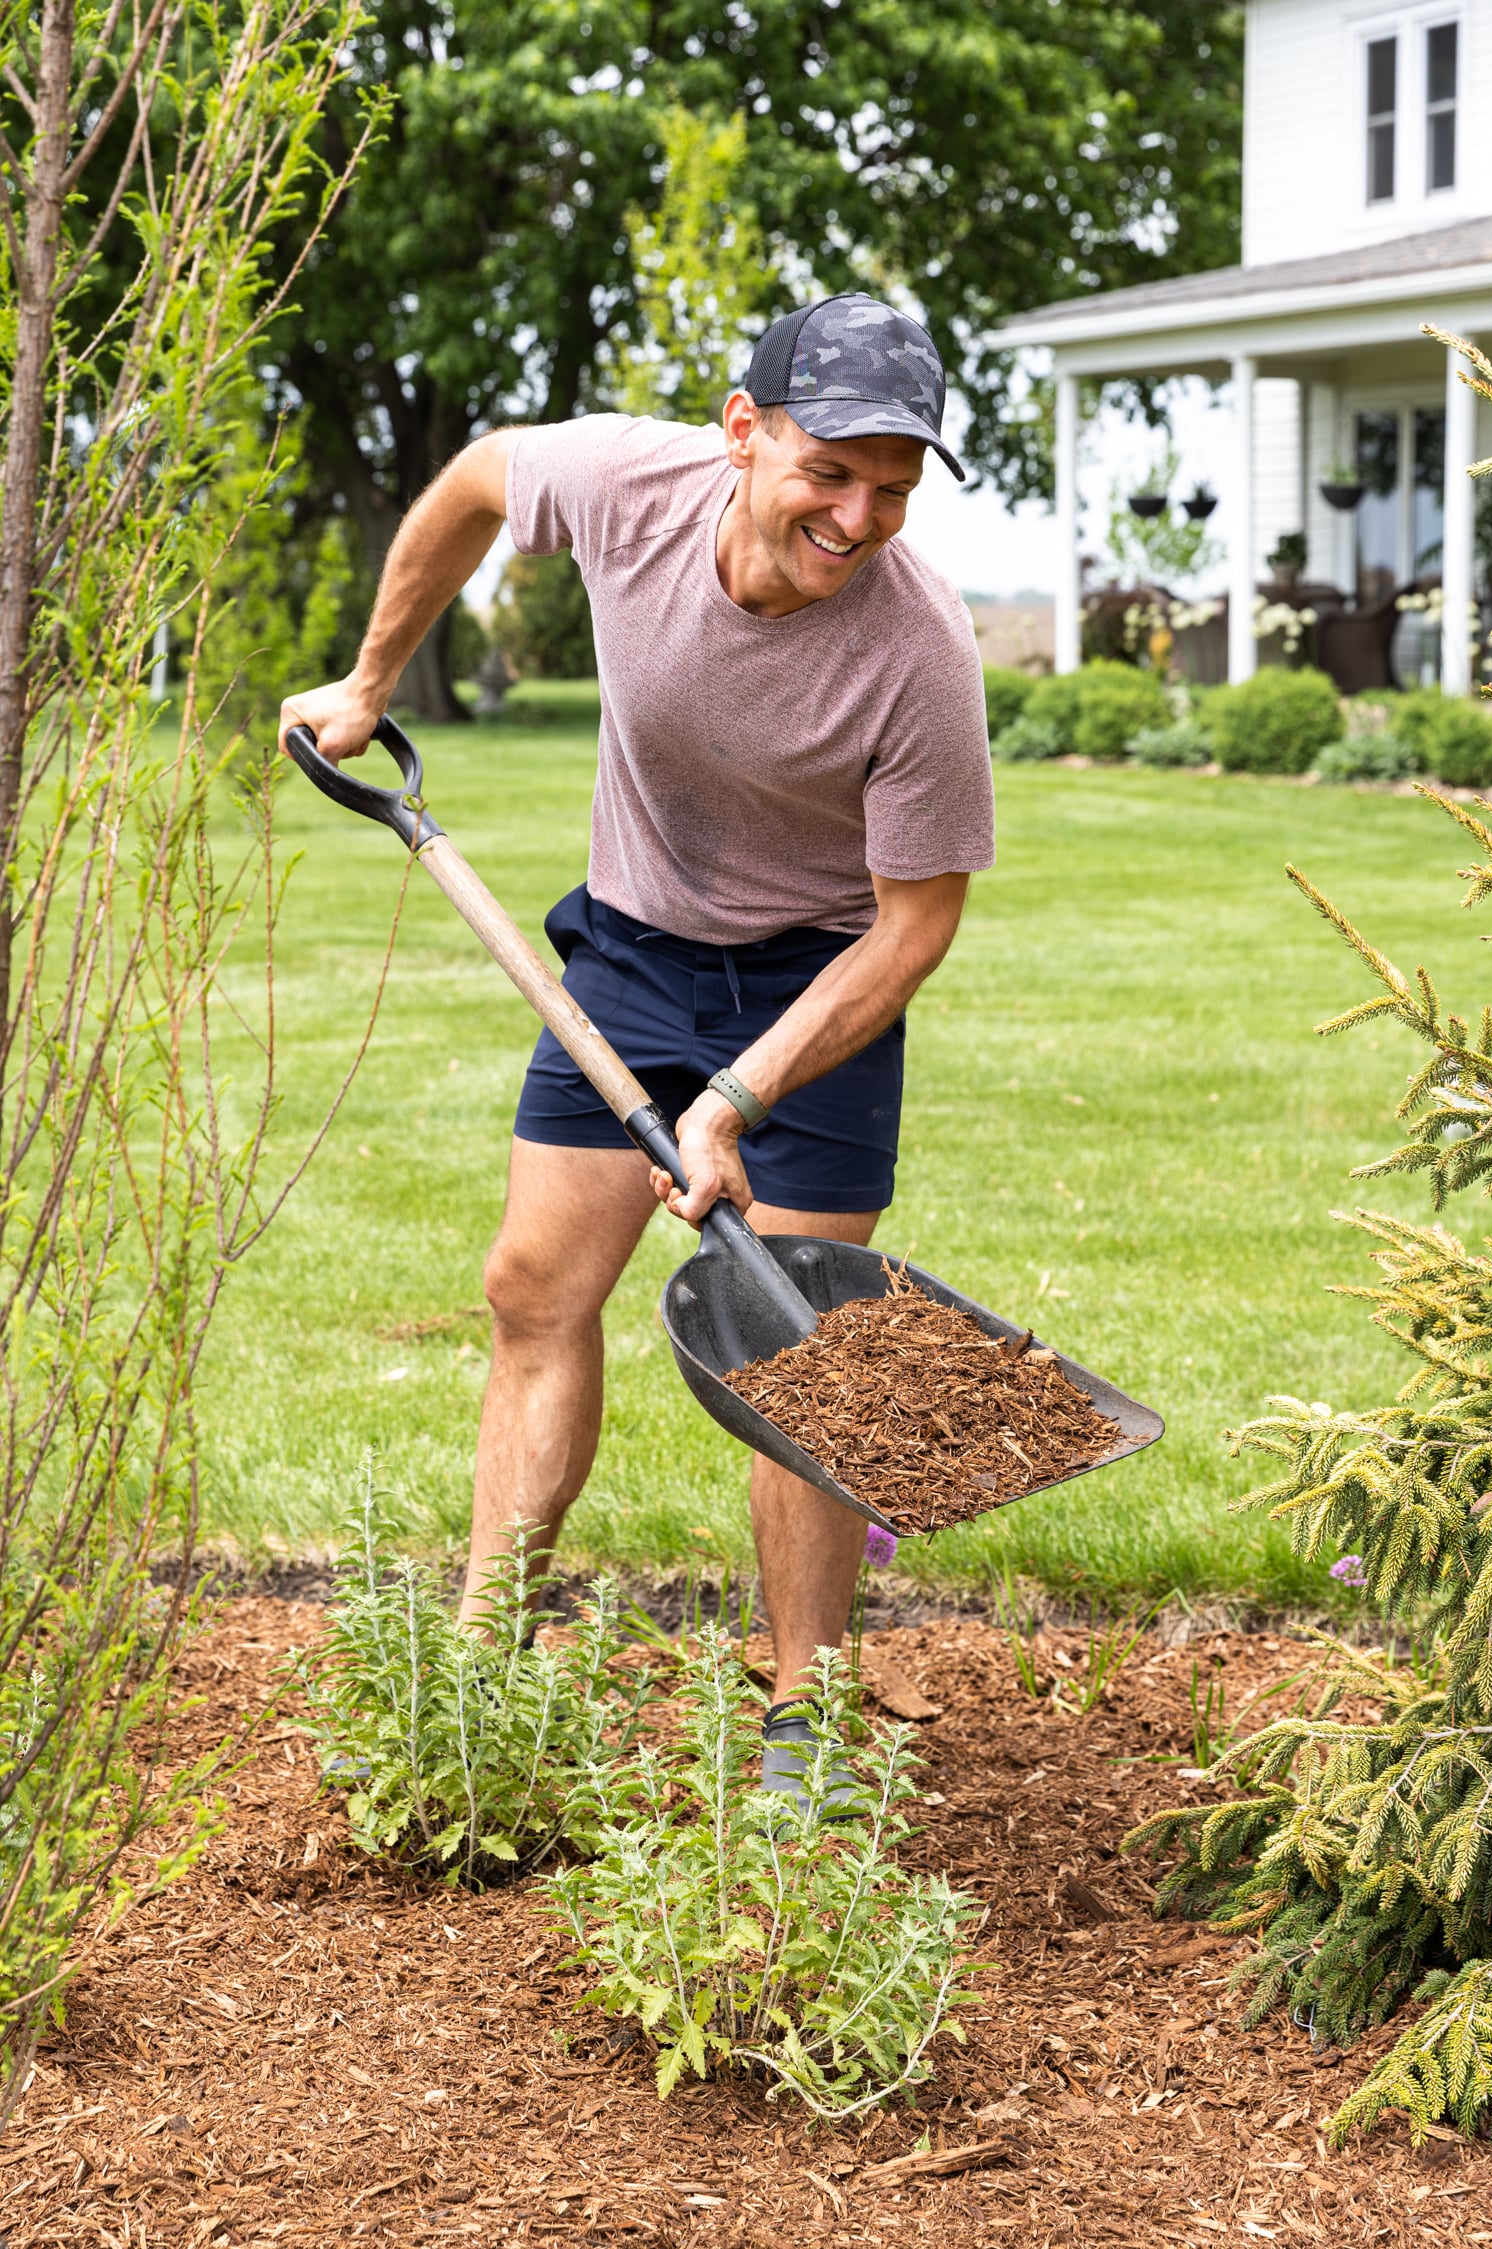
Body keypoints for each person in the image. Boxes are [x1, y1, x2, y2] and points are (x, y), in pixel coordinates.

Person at [280, 293, 995, 1802]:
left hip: (820, 986)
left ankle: (805, 1713)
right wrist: (370, 680)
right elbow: (476, 477)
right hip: (632, 949)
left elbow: (913, 927)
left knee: (807, 1354)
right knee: (533, 1288)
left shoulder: (919, 654)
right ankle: (484, 1668)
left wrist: (741, 1095)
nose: (860, 517)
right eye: (829, 472)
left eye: (895, 486)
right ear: (745, 434)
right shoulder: (625, 485)